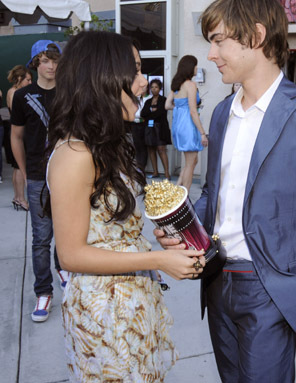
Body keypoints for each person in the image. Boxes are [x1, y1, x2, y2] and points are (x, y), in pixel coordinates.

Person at [155, 0, 296, 381]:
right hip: (216, 280)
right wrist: (183, 228)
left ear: (256, 37)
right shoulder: (222, 113)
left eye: (219, 41)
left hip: (273, 288)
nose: (211, 54)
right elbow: (215, 194)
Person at [45, 31, 206, 382]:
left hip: (132, 300)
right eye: (133, 71)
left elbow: (112, 229)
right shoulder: (74, 155)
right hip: (104, 314)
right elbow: (70, 255)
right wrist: (158, 260)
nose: (143, 81)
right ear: (99, 76)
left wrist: (160, 242)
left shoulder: (108, 143)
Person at [10, 40, 70, 322]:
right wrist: (23, 170)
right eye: (45, 60)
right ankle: (43, 292)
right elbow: (16, 136)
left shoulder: (70, 94)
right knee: (41, 238)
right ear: (35, 63)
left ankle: (65, 269)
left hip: (68, 174)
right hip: (36, 176)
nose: (51, 66)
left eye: (55, 60)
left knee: (68, 229)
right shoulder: (23, 97)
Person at [165, 55, 208, 191]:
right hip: (188, 126)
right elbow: (193, 112)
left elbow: (167, 105)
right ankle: (184, 197)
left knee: (192, 161)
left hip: (178, 125)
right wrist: (202, 133)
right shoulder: (190, 85)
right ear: (191, 67)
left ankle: (177, 189)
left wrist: (180, 108)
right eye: (195, 65)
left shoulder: (176, 85)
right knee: (190, 163)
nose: (197, 68)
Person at [6, 65, 32, 210]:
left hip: (16, 131)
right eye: (27, 80)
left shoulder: (12, 92)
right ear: (20, 79)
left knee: (17, 167)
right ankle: (21, 198)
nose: (29, 83)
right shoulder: (16, 93)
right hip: (19, 133)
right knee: (20, 167)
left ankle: (17, 197)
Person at [141, 79, 172, 179]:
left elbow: (160, 113)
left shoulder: (164, 100)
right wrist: (152, 112)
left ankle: (167, 173)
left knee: (161, 149)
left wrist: (150, 114)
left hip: (160, 128)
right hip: (149, 128)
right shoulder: (148, 101)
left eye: (156, 87)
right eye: (152, 87)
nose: (154, 89)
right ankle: (155, 172)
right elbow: (143, 114)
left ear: (160, 89)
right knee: (151, 149)